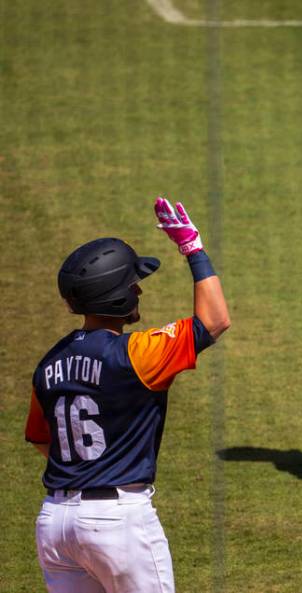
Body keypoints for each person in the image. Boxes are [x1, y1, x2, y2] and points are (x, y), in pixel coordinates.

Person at [24, 198, 230, 593]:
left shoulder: (48, 364)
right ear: (116, 297)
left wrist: (87, 473)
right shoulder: (136, 355)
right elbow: (215, 320)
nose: (138, 289)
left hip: (55, 523)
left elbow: (39, 437)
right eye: (132, 284)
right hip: (117, 523)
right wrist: (193, 249)